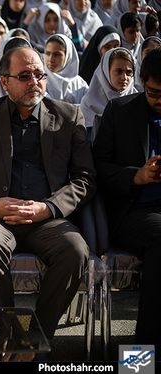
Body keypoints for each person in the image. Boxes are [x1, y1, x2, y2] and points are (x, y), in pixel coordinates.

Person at [0, 45, 96, 344]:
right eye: (25, 76)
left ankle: (36, 336)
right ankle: (6, 334)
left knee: (75, 250)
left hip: (47, 218)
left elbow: (85, 179)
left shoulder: (69, 117)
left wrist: (49, 208)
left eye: (40, 75)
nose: (35, 82)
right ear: (4, 81)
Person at [92, 46, 161, 349]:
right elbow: (98, 169)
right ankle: (144, 354)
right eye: (155, 93)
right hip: (135, 209)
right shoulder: (119, 111)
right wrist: (137, 176)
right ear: (142, 82)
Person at [80, 47, 137, 135]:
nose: (124, 77)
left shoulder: (137, 99)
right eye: (118, 71)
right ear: (106, 71)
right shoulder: (90, 103)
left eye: (129, 72)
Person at [43, 34, 88, 104]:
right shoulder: (40, 80)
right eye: (47, 53)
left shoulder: (79, 84)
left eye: (57, 54)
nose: (51, 60)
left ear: (68, 56)